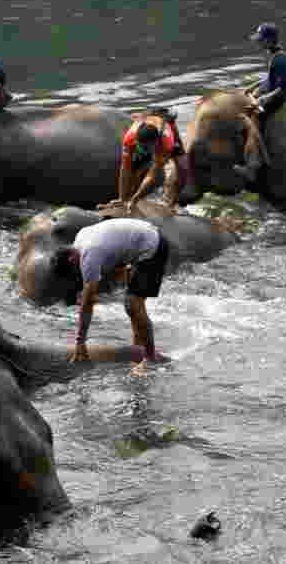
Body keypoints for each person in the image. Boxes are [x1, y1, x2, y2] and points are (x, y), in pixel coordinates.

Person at [52, 217, 169, 376]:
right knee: (132, 307)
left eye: (73, 271)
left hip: (153, 247)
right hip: (141, 239)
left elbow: (87, 302)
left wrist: (80, 342)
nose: (77, 273)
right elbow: (112, 245)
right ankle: (138, 351)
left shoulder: (89, 255)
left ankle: (150, 357)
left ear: (72, 259)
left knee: (132, 304)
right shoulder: (80, 238)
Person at [236, 23, 286, 181]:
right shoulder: (274, 55)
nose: (258, 42)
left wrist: (265, 98)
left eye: (260, 39)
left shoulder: (281, 58)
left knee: (254, 120)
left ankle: (253, 165)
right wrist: (253, 86)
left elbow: (283, 85)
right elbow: (270, 77)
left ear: (269, 40)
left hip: (280, 95)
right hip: (273, 90)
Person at [109, 111, 184, 213]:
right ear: (136, 140)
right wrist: (122, 198)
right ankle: (126, 197)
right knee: (135, 165)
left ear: (155, 144)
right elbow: (125, 168)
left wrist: (135, 199)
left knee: (182, 168)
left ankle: (171, 204)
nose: (144, 150)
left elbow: (152, 174)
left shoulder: (166, 143)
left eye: (147, 148)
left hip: (166, 123)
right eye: (141, 146)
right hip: (149, 117)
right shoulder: (130, 138)